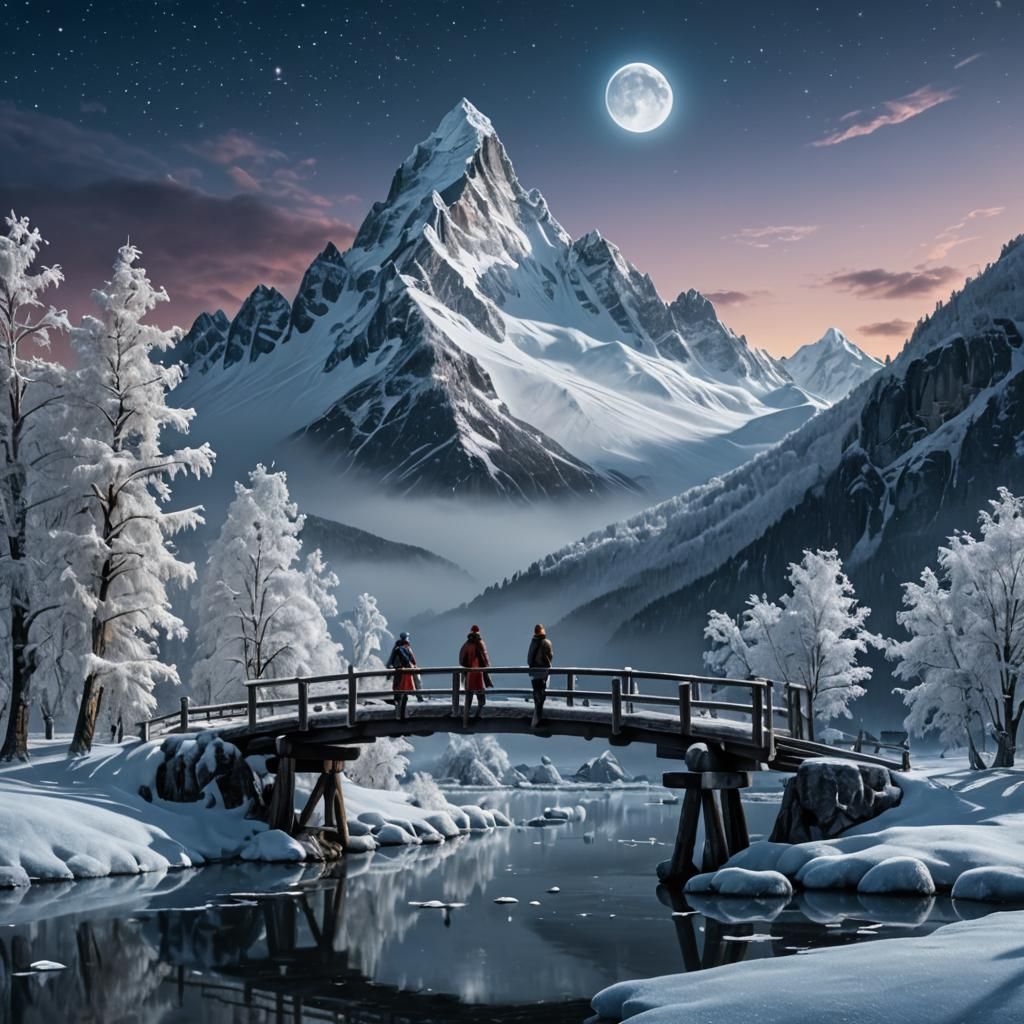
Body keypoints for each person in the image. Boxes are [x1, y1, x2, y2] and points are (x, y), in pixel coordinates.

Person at [458, 625, 491, 719]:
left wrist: (466, 668)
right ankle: (478, 715)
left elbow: (461, 658)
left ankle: (466, 716)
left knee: (469, 695)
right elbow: (485, 659)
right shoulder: (480, 643)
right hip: (479, 674)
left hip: (469, 674)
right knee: (481, 698)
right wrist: (487, 669)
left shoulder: (467, 644)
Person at [387, 631, 419, 720]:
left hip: (397, 672)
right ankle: (402, 714)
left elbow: (391, 660)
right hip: (405, 672)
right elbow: (413, 661)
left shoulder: (396, 648)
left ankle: (398, 713)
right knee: (404, 693)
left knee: (398, 692)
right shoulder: (407, 648)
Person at [527, 624, 554, 727]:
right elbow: (549, 656)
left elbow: (529, 659)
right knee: (542, 694)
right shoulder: (546, 643)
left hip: (533, 673)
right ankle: (538, 718)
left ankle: (536, 717)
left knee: (536, 693)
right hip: (542, 672)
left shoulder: (533, 642)